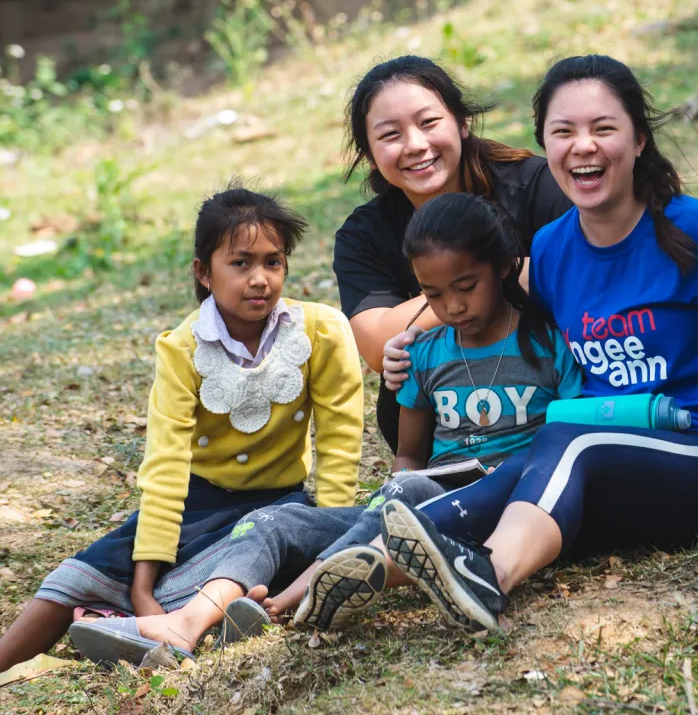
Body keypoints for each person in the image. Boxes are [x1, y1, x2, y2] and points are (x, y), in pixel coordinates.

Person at [361, 54, 698, 634]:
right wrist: (407, 341)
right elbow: (478, 291)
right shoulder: (551, 248)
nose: (583, 146)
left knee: (565, 437)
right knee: (515, 471)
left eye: (603, 129)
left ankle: (487, 578)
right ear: (545, 148)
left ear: (640, 139)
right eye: (563, 132)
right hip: (599, 471)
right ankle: (347, 571)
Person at [68, 193, 584, 657]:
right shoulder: (424, 355)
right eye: (432, 293)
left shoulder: (545, 343)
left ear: (501, 268)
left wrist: (402, 492)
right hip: (419, 501)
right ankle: (191, 619)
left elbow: (564, 443)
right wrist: (390, 494)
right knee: (275, 521)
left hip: (503, 499)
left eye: (465, 287)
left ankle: (294, 599)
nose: (451, 306)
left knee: (404, 491)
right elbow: (408, 454)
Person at [0, 186, 364, 671]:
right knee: (81, 572)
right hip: (195, 503)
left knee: (262, 554)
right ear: (203, 272)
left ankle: (188, 621)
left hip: (281, 504)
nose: (260, 279)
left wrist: (330, 539)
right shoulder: (182, 347)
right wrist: (142, 585)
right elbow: (167, 464)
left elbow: (340, 442)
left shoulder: (321, 331)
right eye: (240, 263)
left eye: (273, 262)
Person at [333, 56, 572, 455]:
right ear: (370, 154)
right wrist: (505, 277)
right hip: (440, 438)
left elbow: (585, 273)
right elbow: (377, 345)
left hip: (556, 401)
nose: (415, 145)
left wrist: (429, 310)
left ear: (462, 122)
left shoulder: (534, 185)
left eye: (429, 123)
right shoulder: (365, 234)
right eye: (390, 135)